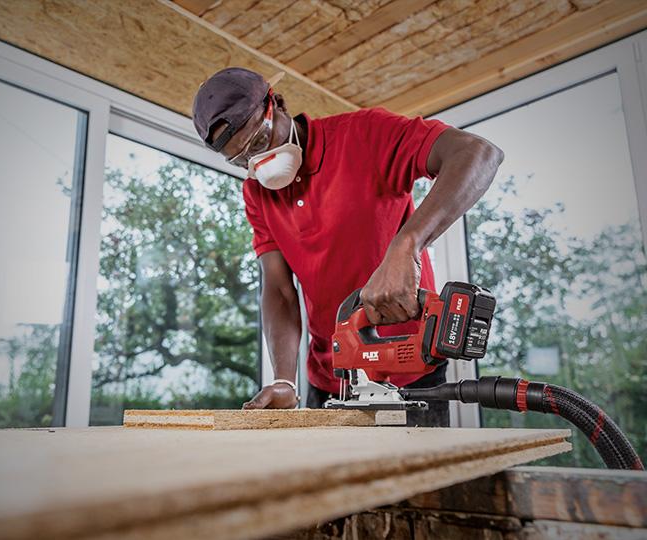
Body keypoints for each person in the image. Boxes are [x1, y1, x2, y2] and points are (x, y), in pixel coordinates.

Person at [191, 67, 503, 425]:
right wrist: (283, 379)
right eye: (242, 159)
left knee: (421, 480)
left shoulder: (365, 134)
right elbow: (278, 290)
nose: (258, 163)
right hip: (328, 381)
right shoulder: (256, 193)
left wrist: (407, 245)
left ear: (276, 104)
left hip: (408, 376)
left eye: (259, 142)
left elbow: (477, 153)